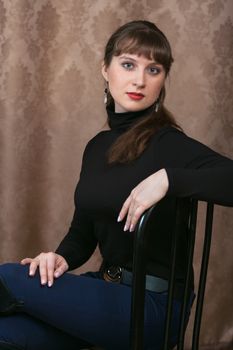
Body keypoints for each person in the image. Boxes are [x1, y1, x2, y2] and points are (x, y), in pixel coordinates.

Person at [0, 20, 232, 350]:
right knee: (5, 332)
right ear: (105, 70)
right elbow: (82, 233)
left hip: (153, 309)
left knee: (8, 277)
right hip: (106, 292)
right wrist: (61, 258)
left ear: (163, 80)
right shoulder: (97, 147)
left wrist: (169, 179)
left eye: (154, 69)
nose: (140, 79)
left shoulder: (169, 144)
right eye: (128, 65)